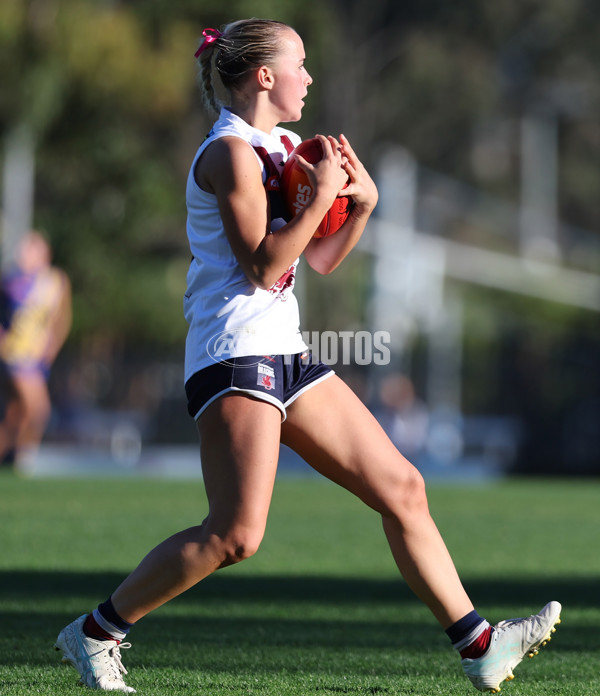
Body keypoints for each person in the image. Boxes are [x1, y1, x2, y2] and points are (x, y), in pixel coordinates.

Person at [54, 19, 561, 694]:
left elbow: (311, 262)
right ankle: (96, 632)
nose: (310, 77)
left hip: (286, 351)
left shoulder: (286, 147)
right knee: (236, 535)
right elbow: (264, 266)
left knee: (403, 487)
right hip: (232, 355)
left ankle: (479, 645)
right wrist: (322, 194)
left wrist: (359, 210)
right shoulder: (229, 154)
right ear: (264, 76)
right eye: (301, 64)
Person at [0, 231, 71, 472]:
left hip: (38, 359)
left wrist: (52, 348)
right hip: (16, 356)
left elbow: (62, 318)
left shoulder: (56, 281)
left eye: (32, 249)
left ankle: (10, 457)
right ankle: (23, 460)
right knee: (40, 410)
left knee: (15, 416)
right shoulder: (11, 282)